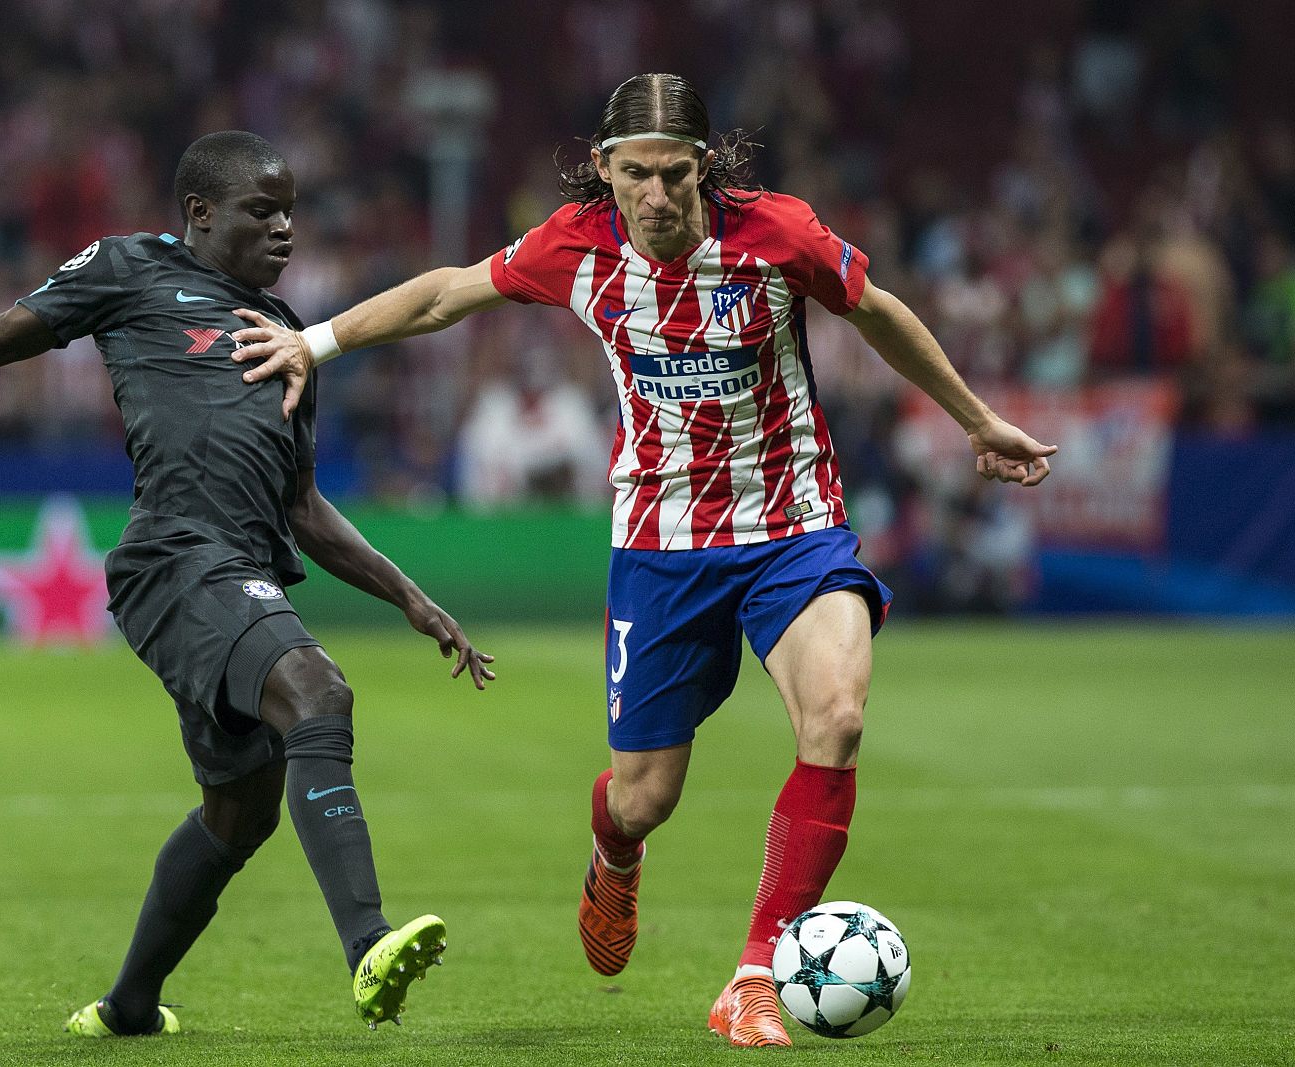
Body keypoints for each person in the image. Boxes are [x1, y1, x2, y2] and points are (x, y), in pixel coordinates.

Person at [231, 73, 1057, 1049]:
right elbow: (447, 294)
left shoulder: (777, 236)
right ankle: (614, 849)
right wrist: (312, 340)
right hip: (660, 549)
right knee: (644, 793)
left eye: (674, 174)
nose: (656, 196)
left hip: (792, 526)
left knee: (834, 715)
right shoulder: (575, 246)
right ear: (602, 169)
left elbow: (873, 309)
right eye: (634, 176)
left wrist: (975, 417)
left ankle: (756, 970)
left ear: (704, 167)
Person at [0, 130, 494, 1036]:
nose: (286, 228)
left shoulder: (288, 333)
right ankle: (368, 940)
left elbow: (301, 505)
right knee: (317, 692)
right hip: (175, 558)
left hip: (235, 573)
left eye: (292, 210)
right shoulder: (130, 268)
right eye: (265, 210)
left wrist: (410, 595)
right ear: (202, 213)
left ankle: (128, 1006)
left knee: (240, 808)